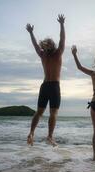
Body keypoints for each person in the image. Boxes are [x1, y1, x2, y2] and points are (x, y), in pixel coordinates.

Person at [26, 14, 65, 146]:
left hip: (44, 86)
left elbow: (35, 46)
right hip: (54, 86)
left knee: (39, 112)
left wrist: (31, 33)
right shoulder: (58, 53)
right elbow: (62, 39)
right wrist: (61, 24)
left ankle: (31, 133)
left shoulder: (42, 55)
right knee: (53, 113)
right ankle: (49, 136)